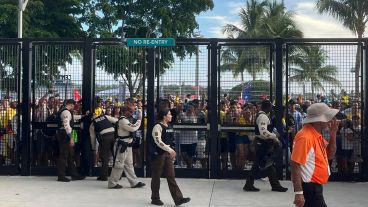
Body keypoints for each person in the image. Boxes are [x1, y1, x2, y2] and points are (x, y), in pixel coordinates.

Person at [291, 103, 340, 207]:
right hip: (310, 188)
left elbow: (330, 155)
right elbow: (295, 164)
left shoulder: (315, 134)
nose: (330, 120)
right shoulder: (305, 137)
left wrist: (333, 135)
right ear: (319, 120)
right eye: (327, 117)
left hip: (314, 188)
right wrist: (298, 193)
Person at [243, 100, 288, 192]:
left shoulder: (262, 115)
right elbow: (263, 132)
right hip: (262, 144)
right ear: (267, 107)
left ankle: (274, 185)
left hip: (262, 143)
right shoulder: (263, 117)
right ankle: (250, 184)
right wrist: (274, 136)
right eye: (271, 107)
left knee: (268, 164)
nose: (272, 108)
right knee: (263, 164)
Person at [149, 108, 190, 206]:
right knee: (156, 177)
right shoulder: (157, 126)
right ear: (164, 116)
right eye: (169, 114)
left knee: (171, 176)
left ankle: (178, 199)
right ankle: (155, 198)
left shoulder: (168, 126)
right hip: (159, 155)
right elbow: (158, 141)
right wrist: (169, 150)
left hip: (167, 154)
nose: (171, 116)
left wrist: (170, 150)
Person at [108, 106, 145, 189]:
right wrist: (139, 119)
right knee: (118, 164)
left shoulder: (125, 120)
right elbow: (133, 128)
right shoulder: (123, 120)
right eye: (130, 111)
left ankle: (134, 182)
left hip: (127, 145)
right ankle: (112, 183)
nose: (132, 113)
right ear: (125, 112)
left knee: (129, 164)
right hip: (122, 145)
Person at [56, 99, 86, 182]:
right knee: (64, 155)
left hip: (63, 134)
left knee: (70, 155)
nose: (74, 108)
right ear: (71, 105)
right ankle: (61, 176)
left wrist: (83, 116)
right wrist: (71, 137)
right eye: (74, 106)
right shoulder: (66, 112)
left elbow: (72, 118)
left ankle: (74, 174)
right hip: (65, 135)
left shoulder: (66, 112)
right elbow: (66, 125)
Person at [89, 113, 118, 181]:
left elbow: (92, 137)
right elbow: (116, 120)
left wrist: (93, 148)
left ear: (91, 118)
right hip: (113, 135)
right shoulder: (105, 117)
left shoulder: (92, 124)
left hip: (105, 138)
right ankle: (118, 175)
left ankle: (104, 176)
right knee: (116, 156)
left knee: (105, 157)